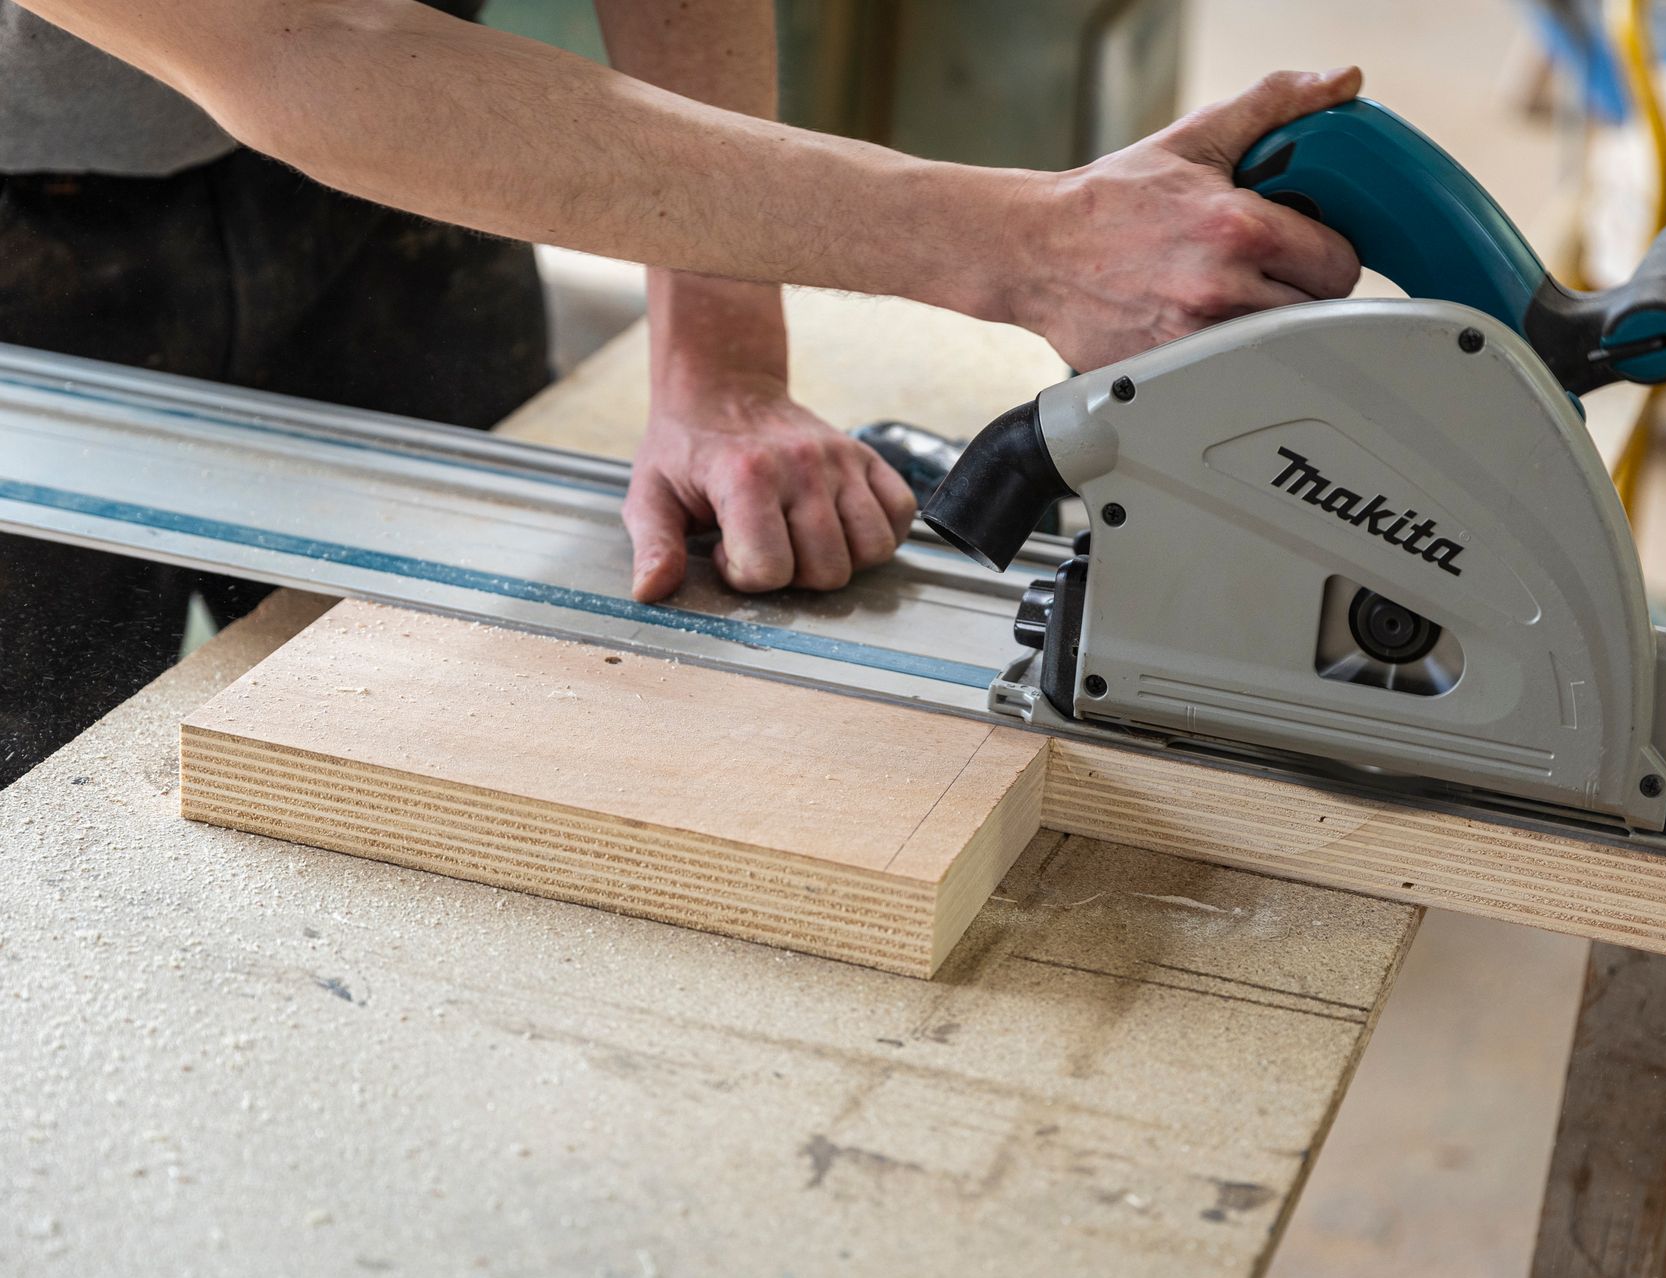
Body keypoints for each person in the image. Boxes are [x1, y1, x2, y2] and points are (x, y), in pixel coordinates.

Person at [0, 0, 1362, 783]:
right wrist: (1026, 244)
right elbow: (305, 39)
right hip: (63, 189)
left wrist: (721, 354)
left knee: (481, 748)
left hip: (397, 174)